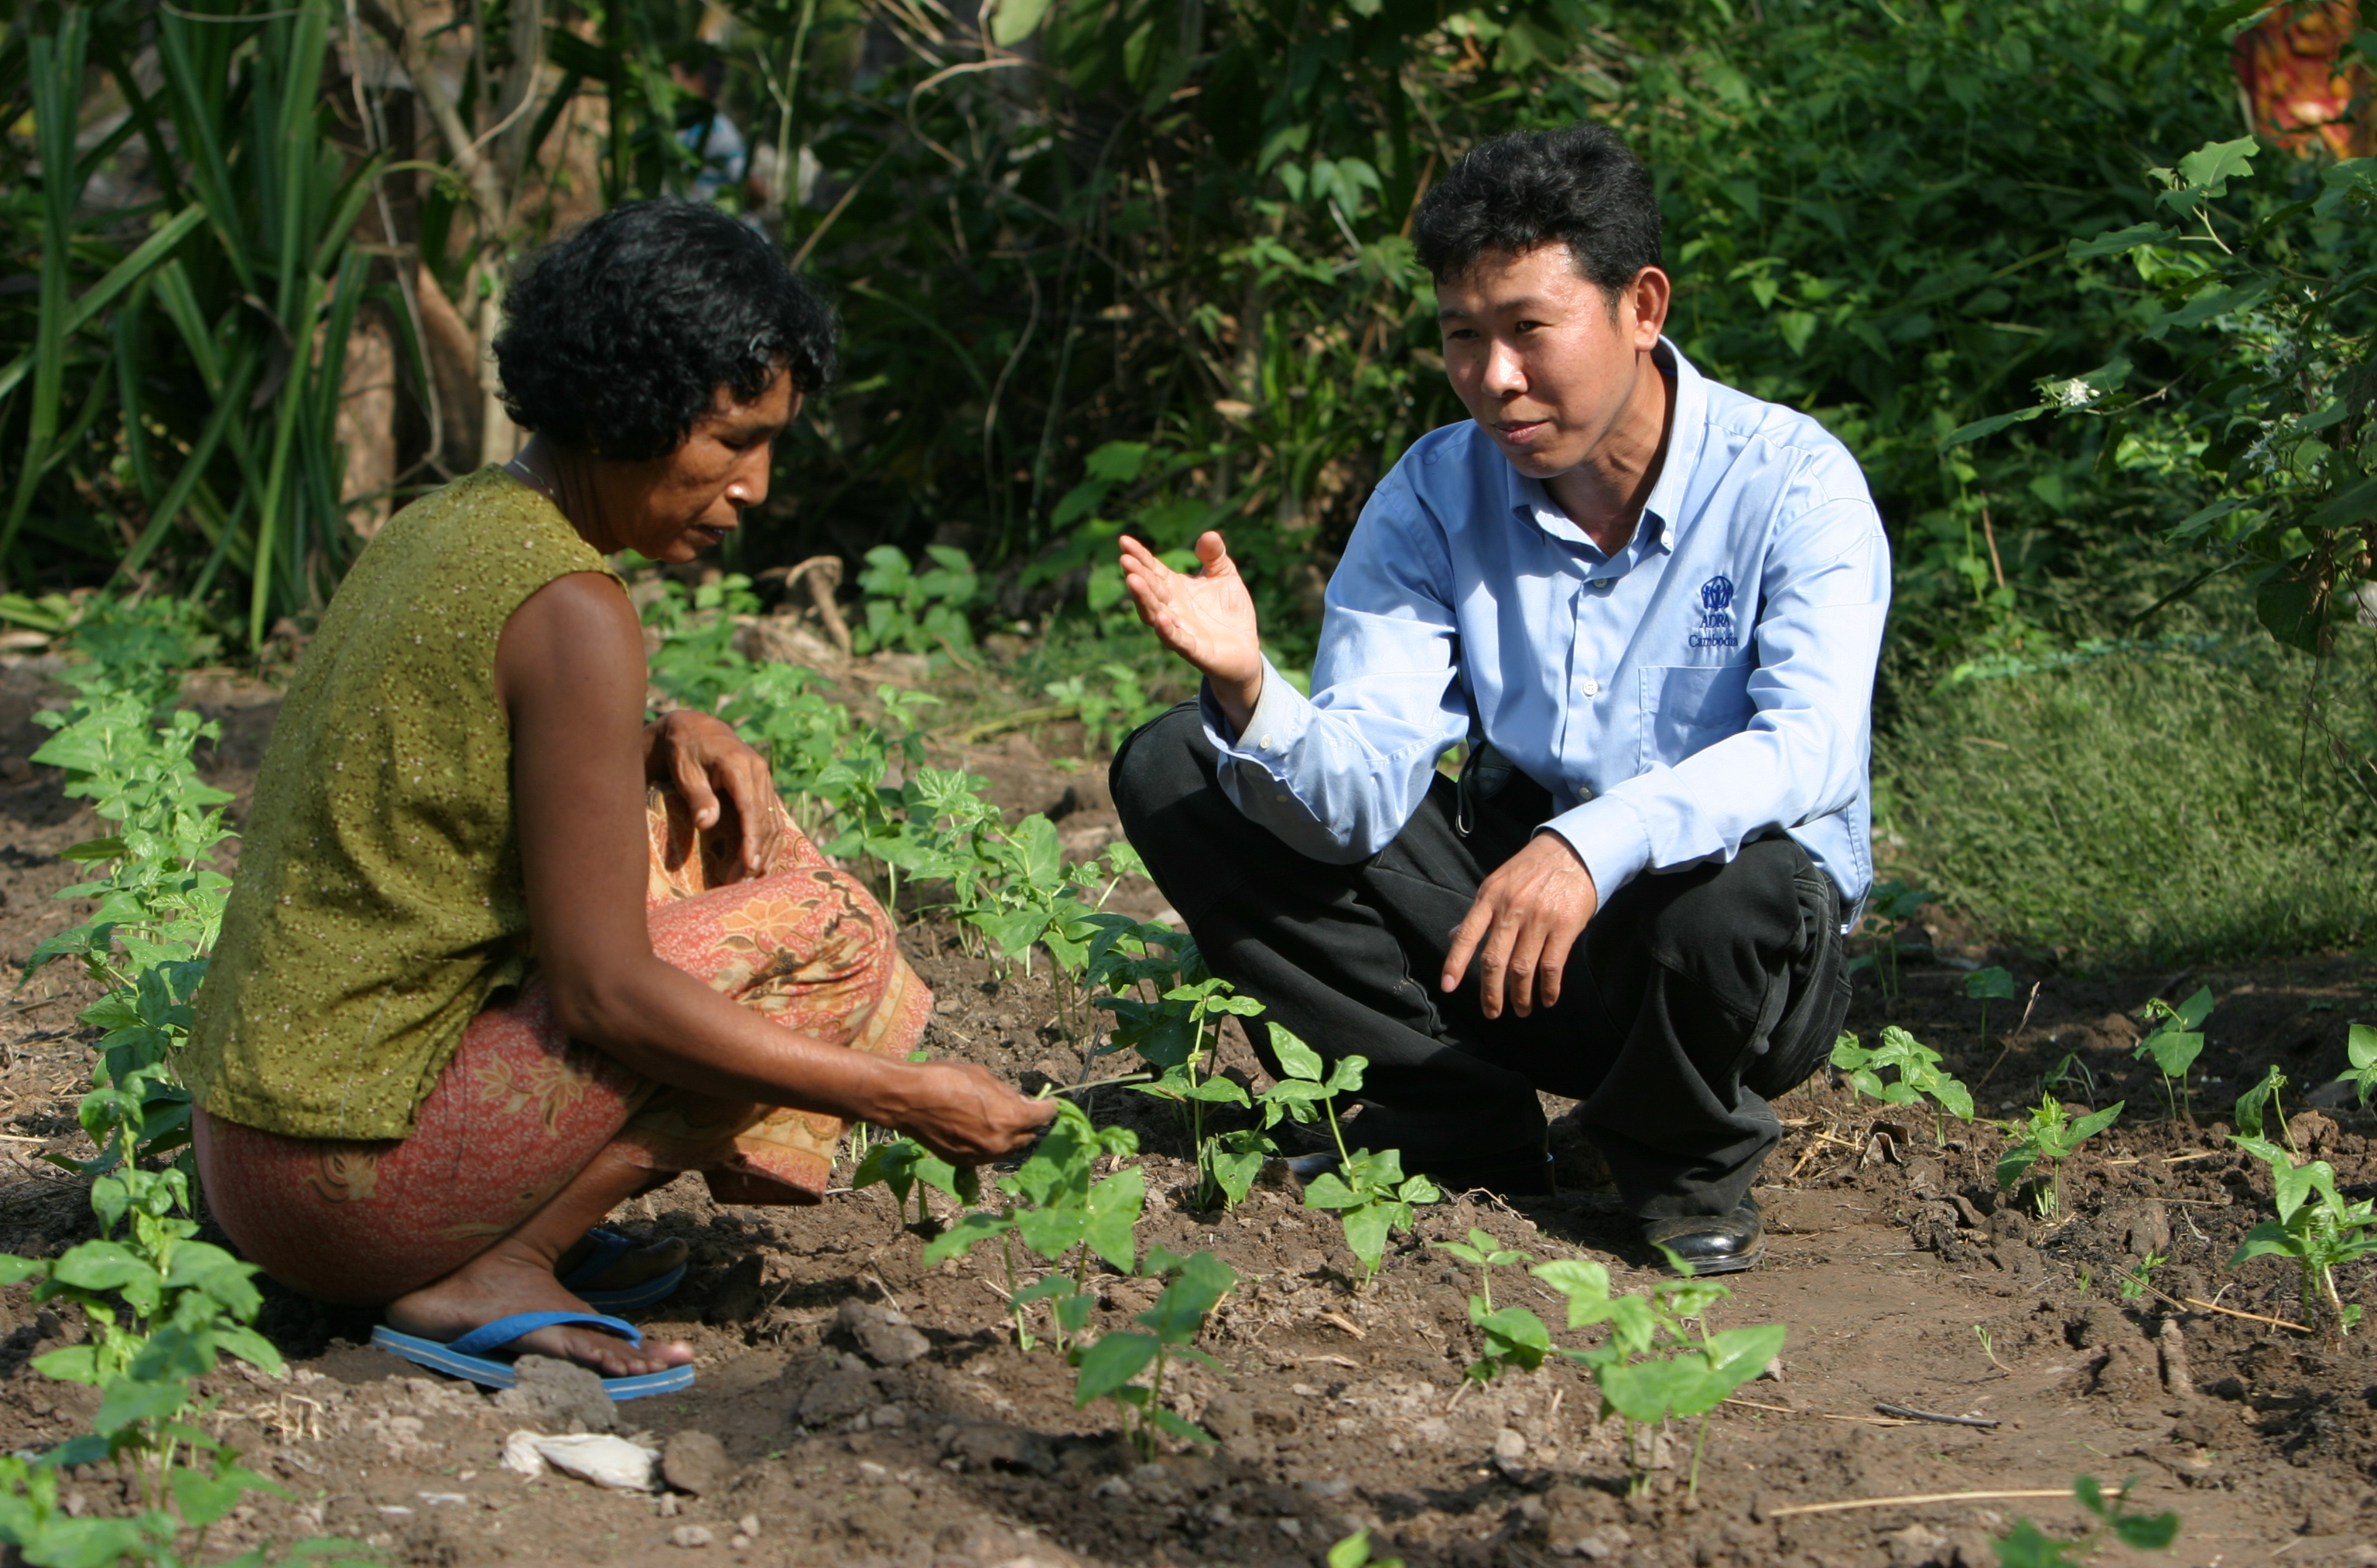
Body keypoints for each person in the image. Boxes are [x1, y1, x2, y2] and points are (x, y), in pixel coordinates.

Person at [186, 198, 1053, 1392]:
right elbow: (604, 994)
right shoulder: (574, 609)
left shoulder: (443, 524)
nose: (755, 487)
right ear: (622, 405)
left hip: (251, 1160)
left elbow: (448, 750)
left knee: (703, 823)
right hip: (349, 1195)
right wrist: (900, 1095)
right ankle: (499, 1263)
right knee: (831, 932)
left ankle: (499, 1227)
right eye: (733, 440)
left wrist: (652, 736)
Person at [1107, 124, 1889, 1274]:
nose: (1495, 378)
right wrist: (1250, 687)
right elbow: (1362, 793)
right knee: (1183, 764)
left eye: (1529, 329)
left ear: (1641, 307)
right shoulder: (1433, 493)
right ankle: (1447, 1115)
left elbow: (1809, 747)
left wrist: (1592, 842)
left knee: (1746, 890)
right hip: (1509, 942)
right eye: (1462, 337)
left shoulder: (1793, 483)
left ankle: (1678, 1157)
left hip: (1720, 965)